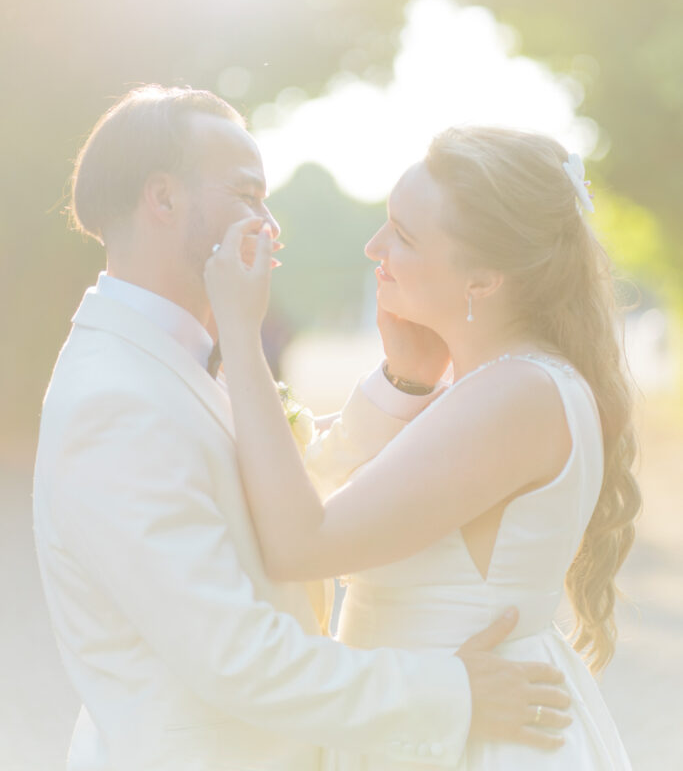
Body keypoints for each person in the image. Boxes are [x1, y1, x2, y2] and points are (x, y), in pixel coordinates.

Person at [34, 88, 571, 771]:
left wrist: (402, 384)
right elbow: (235, 656)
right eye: (248, 195)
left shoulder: (175, 358)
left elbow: (270, 506)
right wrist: (452, 693)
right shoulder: (113, 402)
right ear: (163, 199)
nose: (270, 224)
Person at [205, 125, 640, 769]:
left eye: (404, 237)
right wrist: (405, 381)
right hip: (432, 729)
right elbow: (326, 497)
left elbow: (301, 544)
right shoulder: (495, 387)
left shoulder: (515, 396)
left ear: (483, 279)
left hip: (473, 741)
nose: (374, 246)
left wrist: (240, 335)